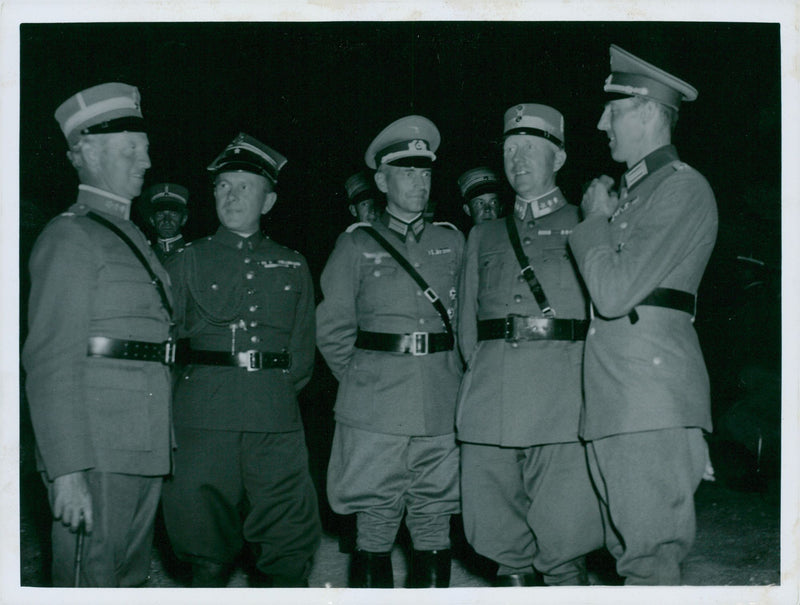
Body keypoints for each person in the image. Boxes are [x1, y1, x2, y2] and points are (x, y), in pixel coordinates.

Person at [568, 45, 718, 585]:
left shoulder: (681, 187)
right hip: (617, 401)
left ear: (650, 112)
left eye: (614, 110)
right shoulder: (632, 196)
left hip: (648, 403)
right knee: (632, 560)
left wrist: (592, 222)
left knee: (649, 565)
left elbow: (612, 295)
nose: (600, 123)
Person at [22, 82, 173, 587]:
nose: (145, 161)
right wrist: (67, 470)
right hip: (96, 451)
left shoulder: (129, 234)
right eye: (131, 148)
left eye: (145, 148)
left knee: (129, 582)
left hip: (142, 443)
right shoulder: (70, 236)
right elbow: (50, 362)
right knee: (90, 582)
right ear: (87, 153)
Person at [160, 132, 321, 587]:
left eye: (244, 187)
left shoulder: (293, 264)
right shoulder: (187, 261)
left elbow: (301, 355)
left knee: (287, 549)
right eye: (223, 186)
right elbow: (165, 348)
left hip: (274, 421)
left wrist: (269, 392)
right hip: (203, 422)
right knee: (204, 548)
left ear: (268, 201)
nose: (230, 196)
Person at [455, 103, 604, 586]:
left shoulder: (587, 223)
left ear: (558, 158)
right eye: (510, 150)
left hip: (563, 403)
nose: (517, 159)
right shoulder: (483, 234)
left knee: (566, 540)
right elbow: (466, 329)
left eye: (530, 148)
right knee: (500, 543)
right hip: (490, 405)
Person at [316, 115, 464, 588]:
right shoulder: (356, 244)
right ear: (382, 182)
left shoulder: (451, 240)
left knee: (435, 517)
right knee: (375, 522)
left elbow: (465, 323)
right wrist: (365, 380)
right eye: (407, 173)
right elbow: (333, 329)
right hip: (374, 408)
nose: (420, 183)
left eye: (425, 173)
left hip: (440, 402)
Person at [143, 182, 189, 263]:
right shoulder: (144, 256)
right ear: (152, 220)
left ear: (184, 219)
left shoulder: (193, 254)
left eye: (173, 214)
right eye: (160, 214)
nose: (166, 220)